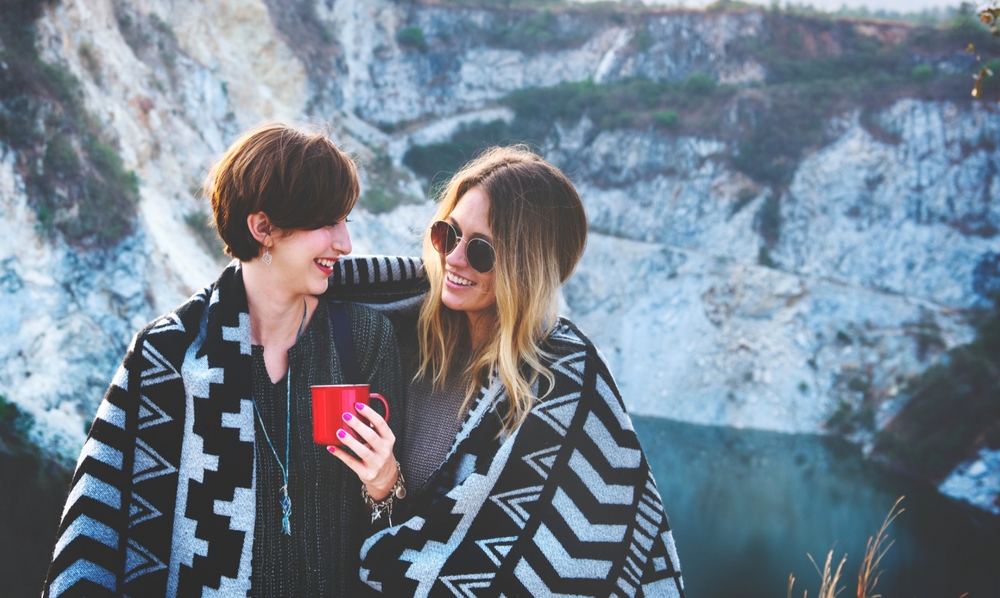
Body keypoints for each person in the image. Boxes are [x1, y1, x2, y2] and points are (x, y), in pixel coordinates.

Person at [42, 123, 404, 598]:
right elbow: (103, 521)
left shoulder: (362, 337)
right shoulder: (168, 353)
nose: (345, 244)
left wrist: (385, 482)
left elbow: (400, 525)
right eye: (326, 223)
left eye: (346, 222)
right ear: (263, 228)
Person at [327, 147, 684, 597]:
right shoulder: (398, 332)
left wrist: (386, 486)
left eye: (480, 250)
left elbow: (590, 564)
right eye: (447, 234)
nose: (454, 258)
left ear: (526, 265)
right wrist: (383, 486)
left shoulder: (565, 389)